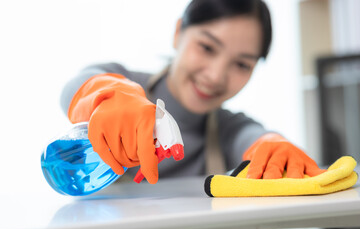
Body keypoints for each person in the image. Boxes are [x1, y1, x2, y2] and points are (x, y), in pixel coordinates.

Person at [60, 0, 325, 184]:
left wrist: (272, 143)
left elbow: (253, 137)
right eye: (207, 47)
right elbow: (76, 86)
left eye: (242, 64)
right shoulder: (123, 81)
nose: (215, 76)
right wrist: (105, 92)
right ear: (178, 33)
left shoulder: (228, 129)